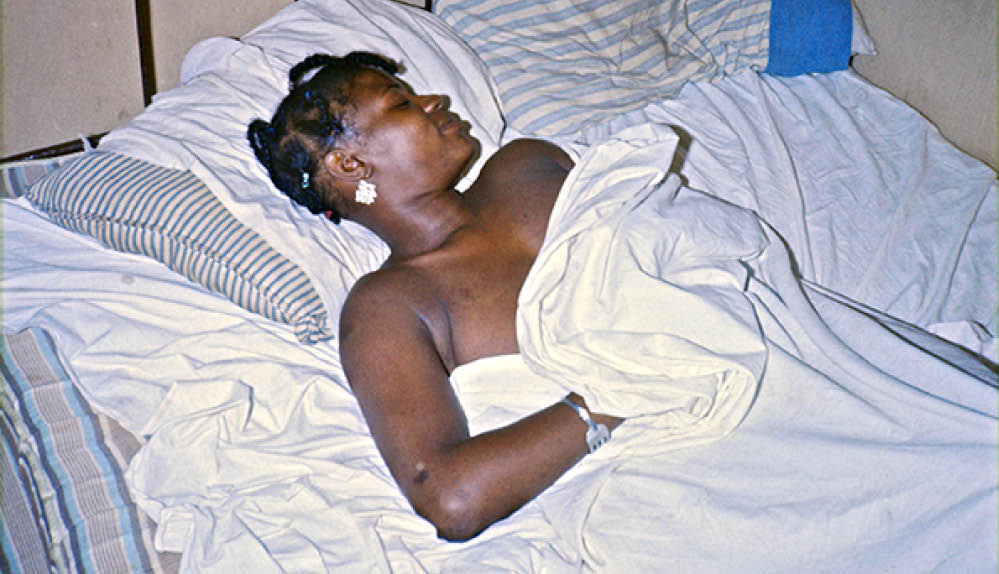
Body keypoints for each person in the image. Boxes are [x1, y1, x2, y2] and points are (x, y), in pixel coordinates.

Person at [248, 52, 624, 541]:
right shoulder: (390, 306)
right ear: (350, 163)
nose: (435, 101)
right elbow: (450, 498)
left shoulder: (530, 164)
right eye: (402, 103)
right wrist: (619, 388)